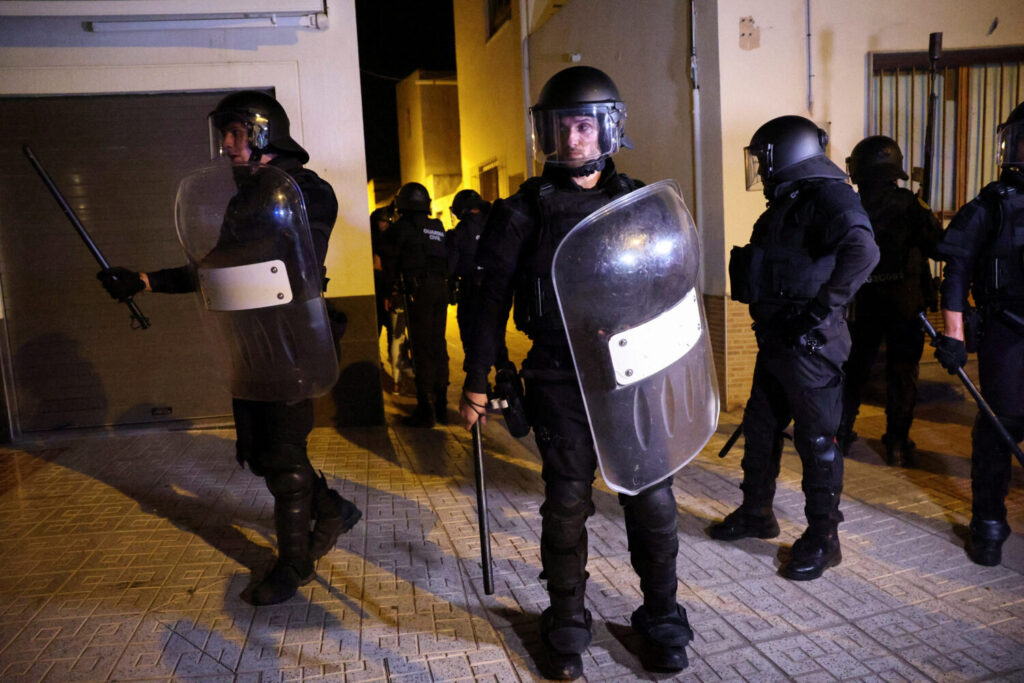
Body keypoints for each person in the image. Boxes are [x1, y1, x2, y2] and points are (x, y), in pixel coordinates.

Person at [459, 66, 694, 679]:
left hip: (630, 374)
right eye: (562, 127)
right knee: (566, 504)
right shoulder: (522, 212)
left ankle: (663, 617)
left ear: (608, 129)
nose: (573, 140)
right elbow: (486, 300)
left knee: (654, 500)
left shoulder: (636, 201)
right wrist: (478, 377)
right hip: (559, 376)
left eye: (584, 126)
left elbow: (671, 282)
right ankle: (566, 621)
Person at [96, 90, 362, 605]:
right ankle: (331, 509)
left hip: (290, 340)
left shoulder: (307, 191)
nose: (227, 145)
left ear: (265, 133)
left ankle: (294, 565)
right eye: (226, 133)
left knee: (285, 460)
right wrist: (144, 280)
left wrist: (221, 266)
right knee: (259, 455)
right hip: (248, 341)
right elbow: (214, 264)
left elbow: (282, 255)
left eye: (237, 133)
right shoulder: (243, 198)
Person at [712, 115, 879, 581]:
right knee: (760, 431)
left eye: (763, 159)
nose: (761, 170)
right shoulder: (791, 202)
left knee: (817, 443)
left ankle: (825, 539)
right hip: (781, 342)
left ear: (783, 154)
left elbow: (863, 252)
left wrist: (818, 313)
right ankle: (756, 514)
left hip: (811, 347)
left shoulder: (829, 196)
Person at [931, 100, 1024, 566]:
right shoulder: (993, 204)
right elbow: (957, 272)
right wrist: (952, 335)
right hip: (1006, 334)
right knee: (998, 427)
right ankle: (988, 520)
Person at [838, 136, 944, 466]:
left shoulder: (849, 206)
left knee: (853, 372)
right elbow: (939, 247)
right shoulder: (911, 205)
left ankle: (839, 436)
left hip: (863, 302)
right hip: (906, 303)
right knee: (902, 374)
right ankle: (896, 443)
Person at [384, 181, 450, 427]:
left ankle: (426, 410)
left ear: (402, 205)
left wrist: (390, 292)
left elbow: (390, 262)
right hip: (439, 288)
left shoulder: (400, 228)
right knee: (438, 343)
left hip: (418, 290)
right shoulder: (437, 226)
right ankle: (442, 405)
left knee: (422, 347)